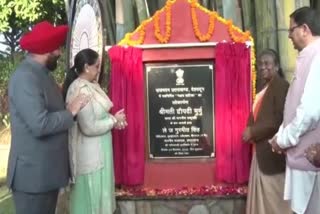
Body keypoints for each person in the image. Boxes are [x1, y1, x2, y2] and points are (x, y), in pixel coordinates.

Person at [6, 21, 89, 214]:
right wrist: (70, 113)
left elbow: (50, 113)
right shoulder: (25, 77)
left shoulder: (43, 75)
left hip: (45, 175)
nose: (59, 53)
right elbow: (39, 124)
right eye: (56, 48)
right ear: (45, 50)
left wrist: (68, 109)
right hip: (33, 178)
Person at [63, 48, 127, 214]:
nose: (99, 70)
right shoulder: (80, 89)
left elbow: (99, 116)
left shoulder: (92, 86)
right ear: (86, 67)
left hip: (101, 152)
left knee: (101, 200)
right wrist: (113, 121)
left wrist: (114, 118)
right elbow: (88, 127)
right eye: (97, 66)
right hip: (90, 157)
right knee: (91, 202)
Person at [269, 6, 320, 214]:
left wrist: (283, 139)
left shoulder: (317, 57)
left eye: (292, 30)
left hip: (312, 159)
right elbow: (294, 105)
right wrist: (281, 135)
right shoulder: (308, 56)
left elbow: (309, 111)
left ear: (305, 29)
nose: (289, 35)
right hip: (303, 157)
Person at [242, 49, 290, 214]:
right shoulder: (263, 88)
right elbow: (257, 115)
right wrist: (249, 128)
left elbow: (277, 121)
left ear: (276, 66)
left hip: (272, 152)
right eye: (260, 64)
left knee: (276, 204)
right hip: (260, 151)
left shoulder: (281, 85)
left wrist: (253, 132)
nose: (263, 67)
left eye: (267, 63)